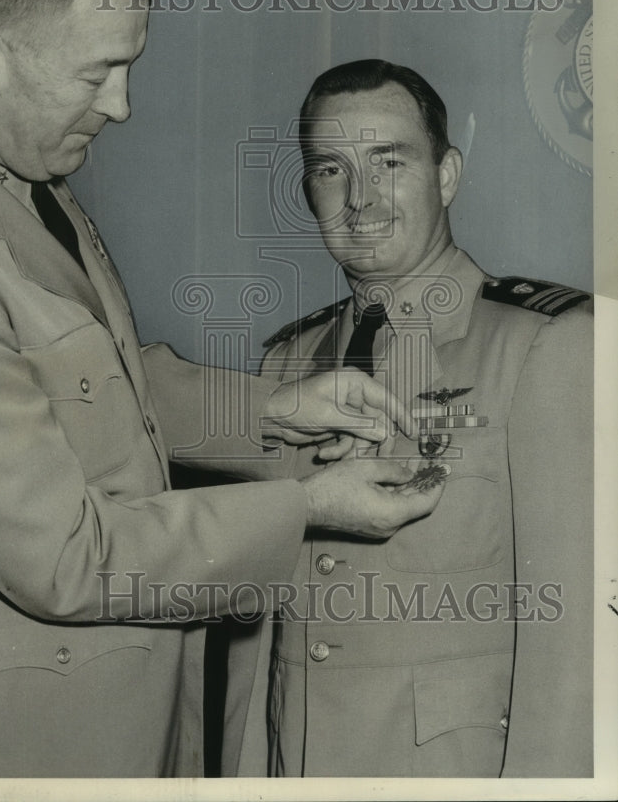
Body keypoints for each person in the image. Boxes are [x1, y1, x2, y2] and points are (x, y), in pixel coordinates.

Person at [0, 0, 443, 778]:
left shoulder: (4, 162)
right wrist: (308, 506)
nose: (121, 105)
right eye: (97, 74)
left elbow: (96, 378)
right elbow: (69, 560)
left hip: (116, 713)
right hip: (15, 749)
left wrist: (272, 408)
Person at [223, 59, 593, 778]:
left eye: (388, 163)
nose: (359, 199)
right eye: (330, 170)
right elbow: (257, 635)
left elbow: (576, 639)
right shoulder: (285, 364)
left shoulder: (546, 344)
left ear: (446, 176)